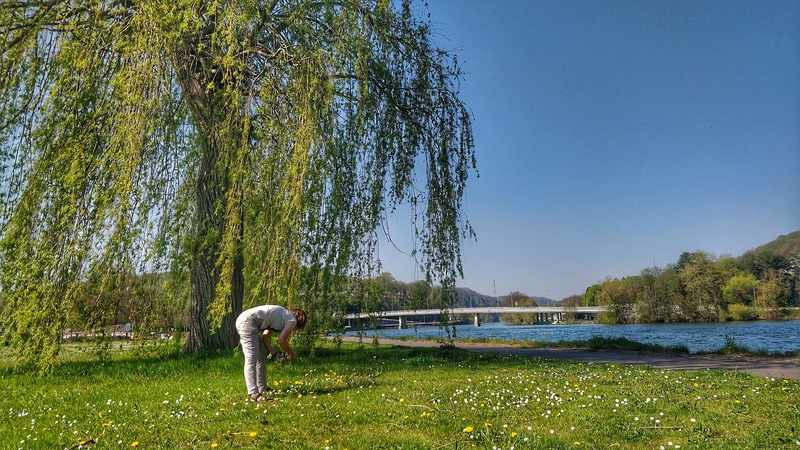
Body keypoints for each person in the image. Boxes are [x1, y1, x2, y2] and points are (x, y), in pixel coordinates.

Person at [235, 305, 307, 402]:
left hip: (247, 320)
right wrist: (292, 353)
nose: (293, 330)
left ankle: (262, 387)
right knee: (251, 357)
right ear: (300, 322)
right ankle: (253, 392)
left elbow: (264, 338)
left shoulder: (281, 317)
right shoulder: (292, 320)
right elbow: (282, 341)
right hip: (248, 321)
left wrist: (276, 354)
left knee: (261, 354)